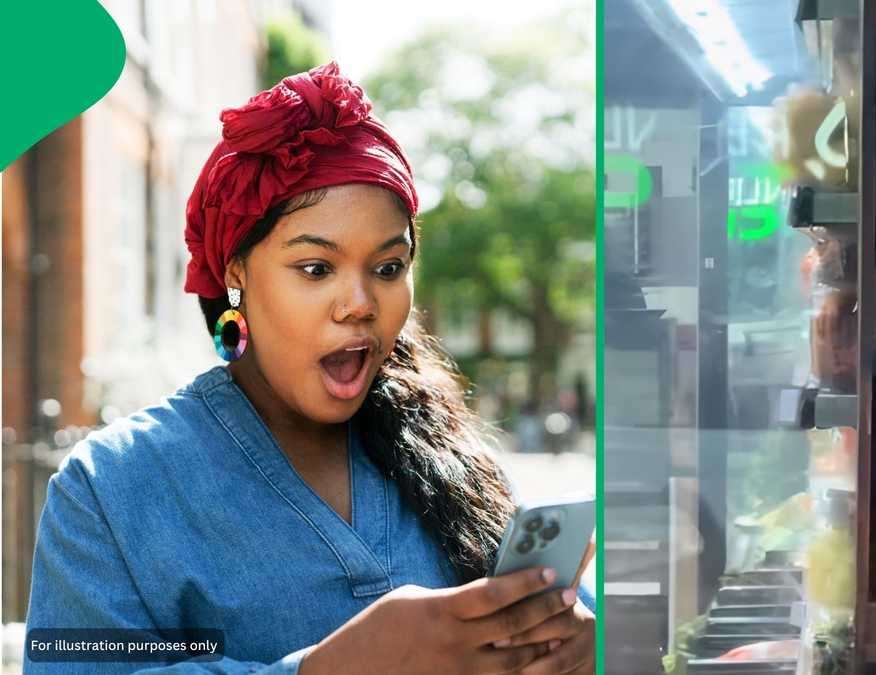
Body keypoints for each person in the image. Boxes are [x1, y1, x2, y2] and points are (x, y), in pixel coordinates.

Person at [23, 62, 595, 674]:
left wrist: (589, 645)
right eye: (316, 268)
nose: (361, 304)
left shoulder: (452, 457)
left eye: (388, 267)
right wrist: (327, 668)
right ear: (236, 274)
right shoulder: (112, 489)